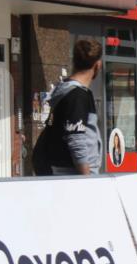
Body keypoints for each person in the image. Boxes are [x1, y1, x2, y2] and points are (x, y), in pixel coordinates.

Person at [37, 38, 103, 176]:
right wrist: (87, 178)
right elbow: (76, 139)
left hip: (65, 172)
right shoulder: (77, 95)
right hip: (71, 174)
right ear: (98, 65)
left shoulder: (67, 90)